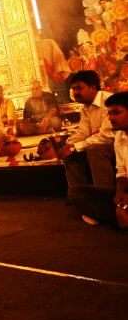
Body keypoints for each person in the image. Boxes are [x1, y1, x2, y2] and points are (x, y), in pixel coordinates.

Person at [73, 91, 128, 226]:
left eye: (116, 113)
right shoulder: (120, 137)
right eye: (109, 113)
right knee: (77, 193)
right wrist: (120, 194)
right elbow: (121, 171)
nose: (111, 118)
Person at [64, 71, 115, 204]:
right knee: (70, 154)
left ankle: (105, 201)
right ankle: (81, 199)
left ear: (93, 87)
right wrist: (69, 145)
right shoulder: (86, 107)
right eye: (73, 89)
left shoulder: (109, 102)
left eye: (79, 88)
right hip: (103, 143)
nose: (75, 92)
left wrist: (76, 146)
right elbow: (83, 132)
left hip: (120, 144)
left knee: (95, 150)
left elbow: (108, 135)